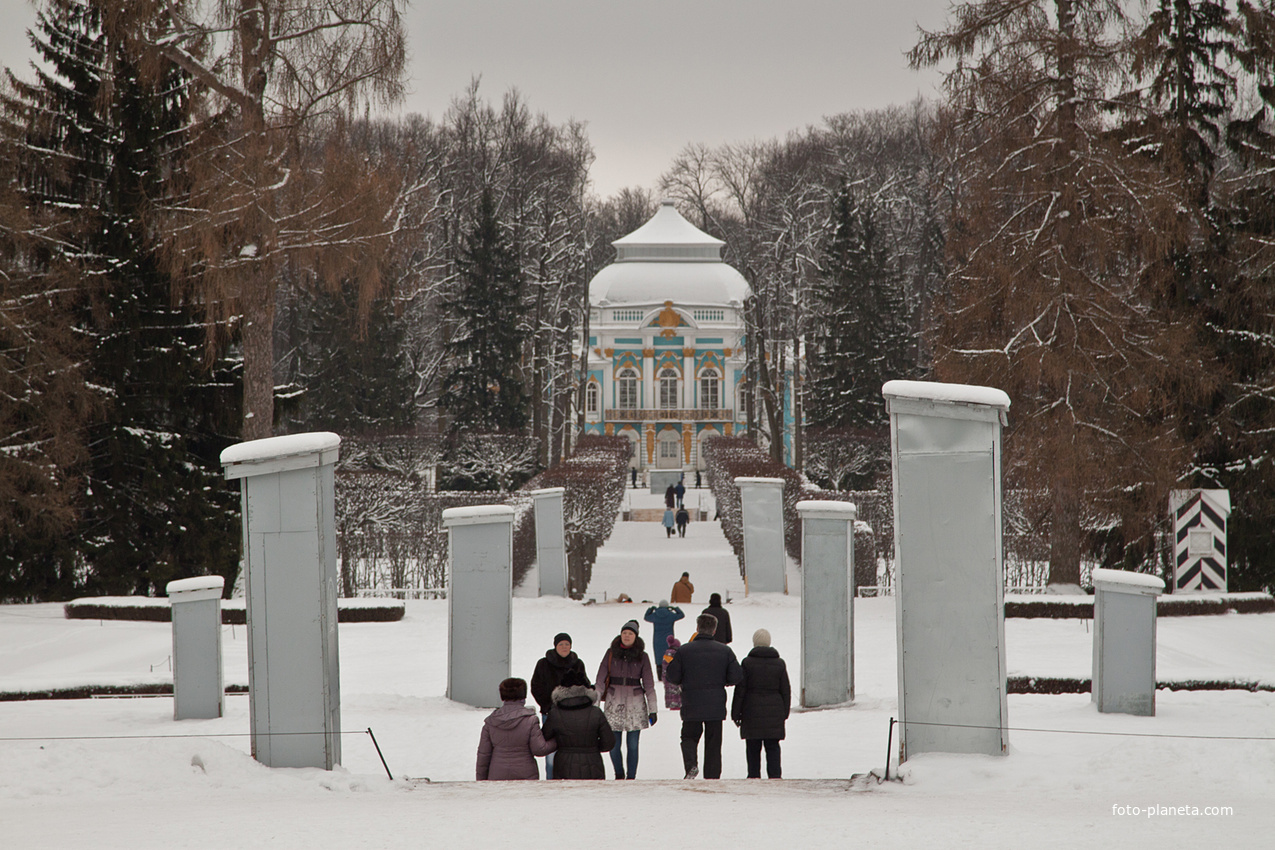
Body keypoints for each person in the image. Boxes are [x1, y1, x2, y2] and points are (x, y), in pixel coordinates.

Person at [664, 613, 742, 780]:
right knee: (713, 743)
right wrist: (723, 681)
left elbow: (672, 676)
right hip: (715, 703)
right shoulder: (725, 651)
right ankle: (712, 776)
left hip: (691, 702)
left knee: (689, 737)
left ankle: (691, 765)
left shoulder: (684, 650)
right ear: (714, 630)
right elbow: (736, 676)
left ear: (697, 628)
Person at [596, 619, 657, 779]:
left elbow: (649, 685)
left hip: (635, 705)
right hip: (614, 702)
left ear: (635, 636)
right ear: (620, 635)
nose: (627, 636)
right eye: (624, 633)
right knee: (613, 745)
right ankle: (619, 774)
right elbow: (600, 681)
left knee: (633, 745)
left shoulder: (643, 656)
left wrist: (653, 709)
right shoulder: (610, 653)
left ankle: (631, 777)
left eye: (630, 633)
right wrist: (595, 704)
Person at [731, 628, 791, 779]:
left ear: (754, 643)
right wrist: (784, 712)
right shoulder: (779, 664)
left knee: (752, 747)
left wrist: (735, 713)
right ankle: (775, 777)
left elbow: (740, 690)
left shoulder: (747, 663)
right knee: (773, 746)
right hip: (774, 711)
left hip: (751, 710)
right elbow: (785, 690)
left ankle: (753, 777)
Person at [529, 632, 586, 779]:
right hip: (550, 713)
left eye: (567, 644)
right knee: (551, 754)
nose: (564, 647)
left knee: (571, 751)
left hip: (572, 714)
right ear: (555, 646)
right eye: (561, 644)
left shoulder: (577, 664)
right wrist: (547, 704)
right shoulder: (543, 663)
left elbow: (584, 686)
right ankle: (551, 781)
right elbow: (536, 686)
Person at [476, 677, 556, 780]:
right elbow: (539, 749)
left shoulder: (491, 722)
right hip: (525, 774)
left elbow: (483, 756)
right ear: (524, 696)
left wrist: (480, 781)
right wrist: (557, 741)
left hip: (497, 774)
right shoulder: (530, 720)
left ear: (502, 697)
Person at [542, 669, 615, 780]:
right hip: (593, 764)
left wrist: (561, 744)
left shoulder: (555, 713)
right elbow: (609, 742)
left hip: (563, 764)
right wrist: (592, 747)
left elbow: (545, 737)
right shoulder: (596, 712)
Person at [643, 600, 685, 679]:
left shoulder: (655, 615)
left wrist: (650, 609)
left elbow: (646, 617)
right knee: (669, 656)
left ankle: (659, 676)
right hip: (669, 640)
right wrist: (675, 609)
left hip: (657, 640)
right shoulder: (671, 615)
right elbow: (681, 615)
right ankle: (669, 676)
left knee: (658, 658)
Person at [662, 635, 683, 711]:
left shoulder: (666, 655)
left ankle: (672, 707)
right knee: (676, 696)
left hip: (667, 680)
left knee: (670, 696)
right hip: (675, 680)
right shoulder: (676, 654)